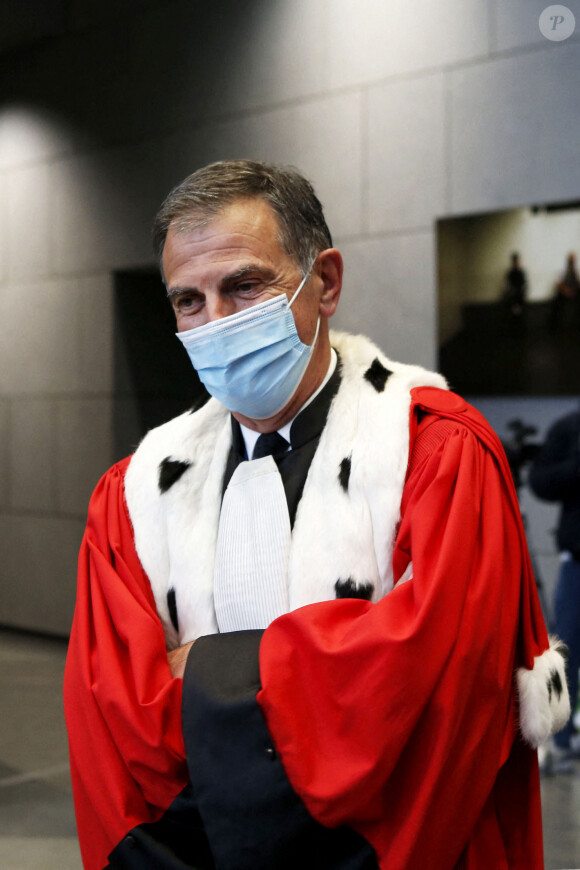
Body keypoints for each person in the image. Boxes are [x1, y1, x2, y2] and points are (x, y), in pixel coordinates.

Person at [64, 160, 570, 870]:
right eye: (188, 301)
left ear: (324, 282)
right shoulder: (134, 495)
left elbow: (440, 694)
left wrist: (202, 672)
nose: (215, 323)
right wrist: (334, 671)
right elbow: (118, 730)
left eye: (244, 286)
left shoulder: (436, 449)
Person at [529, 409, 580, 772]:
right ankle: (561, 741)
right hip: (577, 559)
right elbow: (541, 481)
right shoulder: (570, 427)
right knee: (566, 651)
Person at [502, 252, 527, 317]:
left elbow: (524, 285)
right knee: (514, 315)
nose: (516, 262)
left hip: (519, 296)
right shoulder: (511, 272)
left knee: (519, 315)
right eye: (515, 261)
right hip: (513, 297)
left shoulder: (521, 272)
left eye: (517, 260)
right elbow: (508, 284)